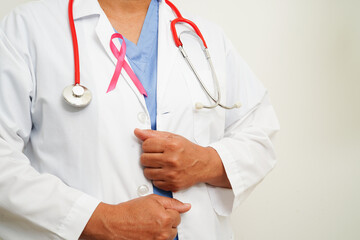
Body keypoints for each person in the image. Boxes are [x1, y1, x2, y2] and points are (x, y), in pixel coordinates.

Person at [0, 0, 280, 239]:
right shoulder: (27, 30)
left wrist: (206, 162)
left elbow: (260, 135)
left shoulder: (204, 37)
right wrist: (100, 220)